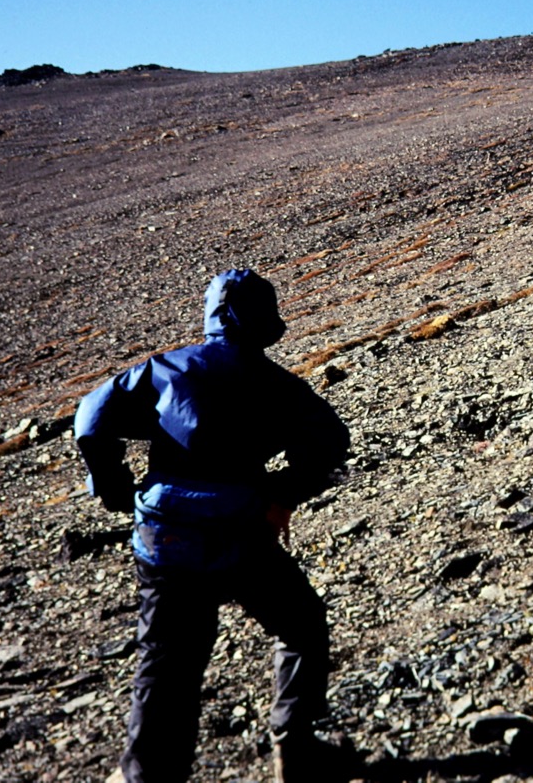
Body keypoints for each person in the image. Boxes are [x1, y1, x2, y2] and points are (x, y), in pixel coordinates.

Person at [74, 269, 352, 783]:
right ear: (266, 321)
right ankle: (296, 751)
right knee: (301, 624)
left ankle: (147, 776)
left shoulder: (164, 368)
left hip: (165, 540)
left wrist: (113, 488)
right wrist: (282, 493)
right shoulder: (279, 386)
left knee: (167, 665)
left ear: (210, 317)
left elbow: (90, 415)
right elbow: (332, 442)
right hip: (240, 532)